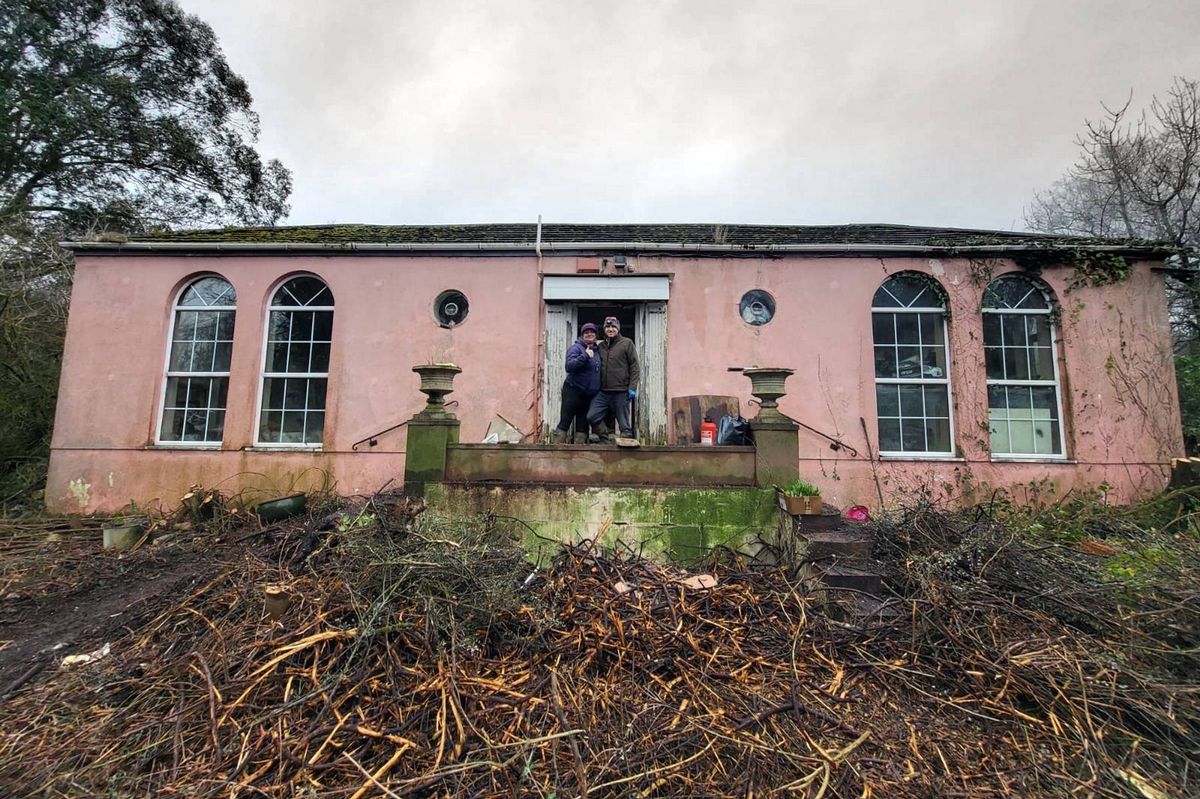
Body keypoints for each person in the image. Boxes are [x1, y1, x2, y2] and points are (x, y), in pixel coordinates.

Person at [587, 316, 640, 443]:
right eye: (607, 327)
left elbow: (635, 367)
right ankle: (605, 438)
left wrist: (632, 387)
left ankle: (627, 448)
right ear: (604, 329)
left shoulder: (627, 343)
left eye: (613, 327)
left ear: (618, 328)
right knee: (592, 416)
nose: (610, 329)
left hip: (621, 391)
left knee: (624, 426)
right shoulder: (601, 346)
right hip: (603, 392)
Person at [551, 322, 601, 443]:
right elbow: (569, 366)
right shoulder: (576, 348)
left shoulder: (597, 351)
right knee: (565, 421)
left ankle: (580, 450)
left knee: (582, 425)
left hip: (588, 394)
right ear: (582, 335)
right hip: (573, 390)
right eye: (586, 332)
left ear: (596, 335)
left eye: (592, 332)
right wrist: (585, 356)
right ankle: (555, 449)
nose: (589, 334)